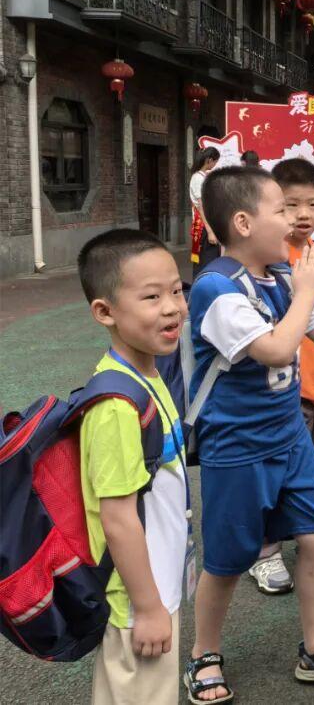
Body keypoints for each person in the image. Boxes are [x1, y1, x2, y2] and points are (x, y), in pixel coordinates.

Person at [184, 167, 314, 703]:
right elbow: (275, 349)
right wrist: (308, 291)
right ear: (244, 223)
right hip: (237, 449)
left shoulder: (283, 278)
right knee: (228, 561)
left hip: (290, 438)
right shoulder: (216, 288)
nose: (294, 221)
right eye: (281, 210)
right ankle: (204, 652)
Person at [76, 230, 188, 705]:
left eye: (177, 290)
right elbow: (118, 519)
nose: (172, 308)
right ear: (105, 312)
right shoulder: (116, 405)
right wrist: (148, 608)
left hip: (157, 583)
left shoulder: (148, 374)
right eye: (151, 297)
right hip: (135, 598)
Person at [236, 158, 314, 597]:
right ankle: (266, 551)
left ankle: (312, 536)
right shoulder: (271, 260)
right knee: (275, 476)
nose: (301, 215)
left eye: (311, 205)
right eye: (289, 206)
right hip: (284, 390)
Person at [190, 147, 221, 275]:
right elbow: (201, 206)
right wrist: (210, 231)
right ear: (209, 160)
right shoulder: (198, 178)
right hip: (203, 226)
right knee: (206, 262)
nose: (215, 165)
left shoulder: (203, 176)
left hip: (207, 224)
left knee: (210, 260)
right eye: (215, 161)